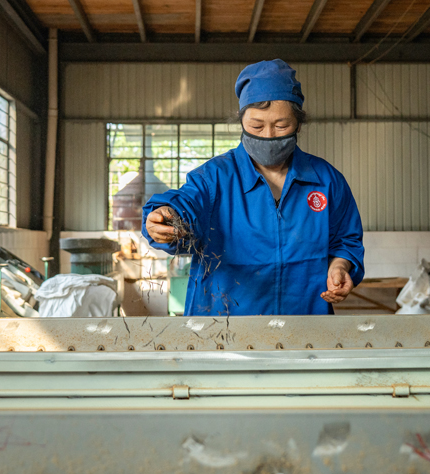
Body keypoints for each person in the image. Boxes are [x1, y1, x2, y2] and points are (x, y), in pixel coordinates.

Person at [141, 59, 365, 316]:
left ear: (299, 124)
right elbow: (186, 204)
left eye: (281, 125)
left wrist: (340, 266)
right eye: (256, 126)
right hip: (222, 331)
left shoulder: (325, 180)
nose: (268, 135)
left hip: (304, 326)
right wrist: (164, 217)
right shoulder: (214, 178)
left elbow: (346, 239)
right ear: (241, 122)